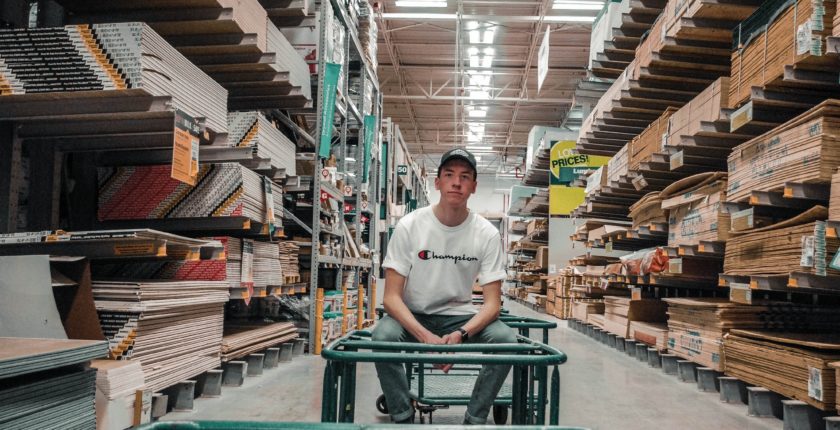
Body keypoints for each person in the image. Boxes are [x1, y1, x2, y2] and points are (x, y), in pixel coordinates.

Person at [372, 148, 516, 425]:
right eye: (449, 175)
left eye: (465, 177)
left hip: (461, 318)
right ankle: (402, 415)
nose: (456, 182)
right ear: (437, 183)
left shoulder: (486, 233)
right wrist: (425, 336)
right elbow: (391, 298)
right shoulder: (410, 226)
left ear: (474, 186)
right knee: (381, 337)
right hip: (412, 316)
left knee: (507, 341)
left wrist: (462, 333)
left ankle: (475, 418)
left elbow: (492, 304)